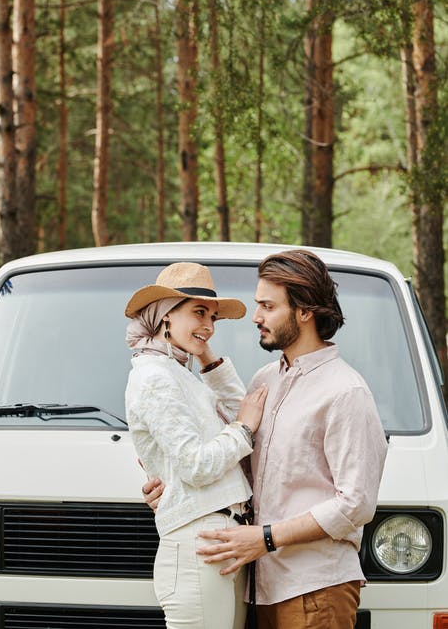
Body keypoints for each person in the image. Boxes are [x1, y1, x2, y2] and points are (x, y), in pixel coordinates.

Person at [145, 250, 388, 629]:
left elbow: (355, 504)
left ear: (305, 311)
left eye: (267, 306)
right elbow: (239, 463)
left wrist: (267, 539)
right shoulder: (264, 381)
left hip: (316, 589)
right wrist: (172, 485)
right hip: (259, 587)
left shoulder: (346, 392)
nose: (256, 316)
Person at [124, 261, 268, 629]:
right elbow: (195, 465)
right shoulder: (154, 376)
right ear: (165, 316)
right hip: (197, 542)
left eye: (214, 318)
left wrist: (206, 356)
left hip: (221, 537)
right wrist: (242, 430)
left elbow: (245, 410)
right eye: (199, 313)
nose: (208, 325)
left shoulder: (180, 373)